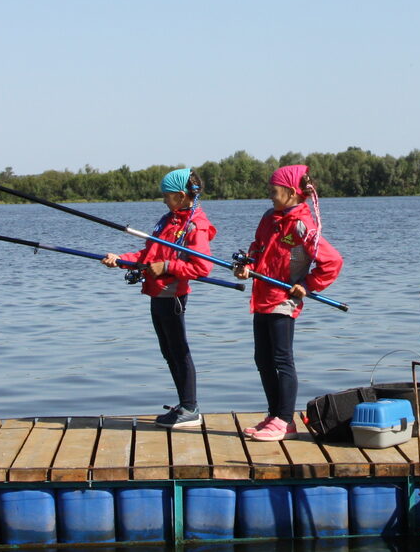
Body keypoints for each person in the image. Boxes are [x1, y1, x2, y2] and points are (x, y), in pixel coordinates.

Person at [232, 164, 343, 443]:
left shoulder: (302, 225)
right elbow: (258, 247)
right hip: (261, 297)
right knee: (262, 359)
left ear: (292, 193)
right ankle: (274, 415)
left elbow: (332, 262)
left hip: (284, 301)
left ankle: (285, 420)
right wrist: (247, 264)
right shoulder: (270, 217)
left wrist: (306, 285)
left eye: (274, 190)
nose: (270, 195)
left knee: (282, 359)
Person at [103, 168, 216, 427]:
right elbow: (149, 255)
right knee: (168, 351)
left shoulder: (195, 225)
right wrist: (121, 260)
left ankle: (190, 407)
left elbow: (202, 267)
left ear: (180, 195)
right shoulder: (169, 220)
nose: (164, 200)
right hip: (157, 294)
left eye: (166, 195)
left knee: (179, 351)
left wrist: (167, 267)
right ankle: (185, 404)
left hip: (173, 295)